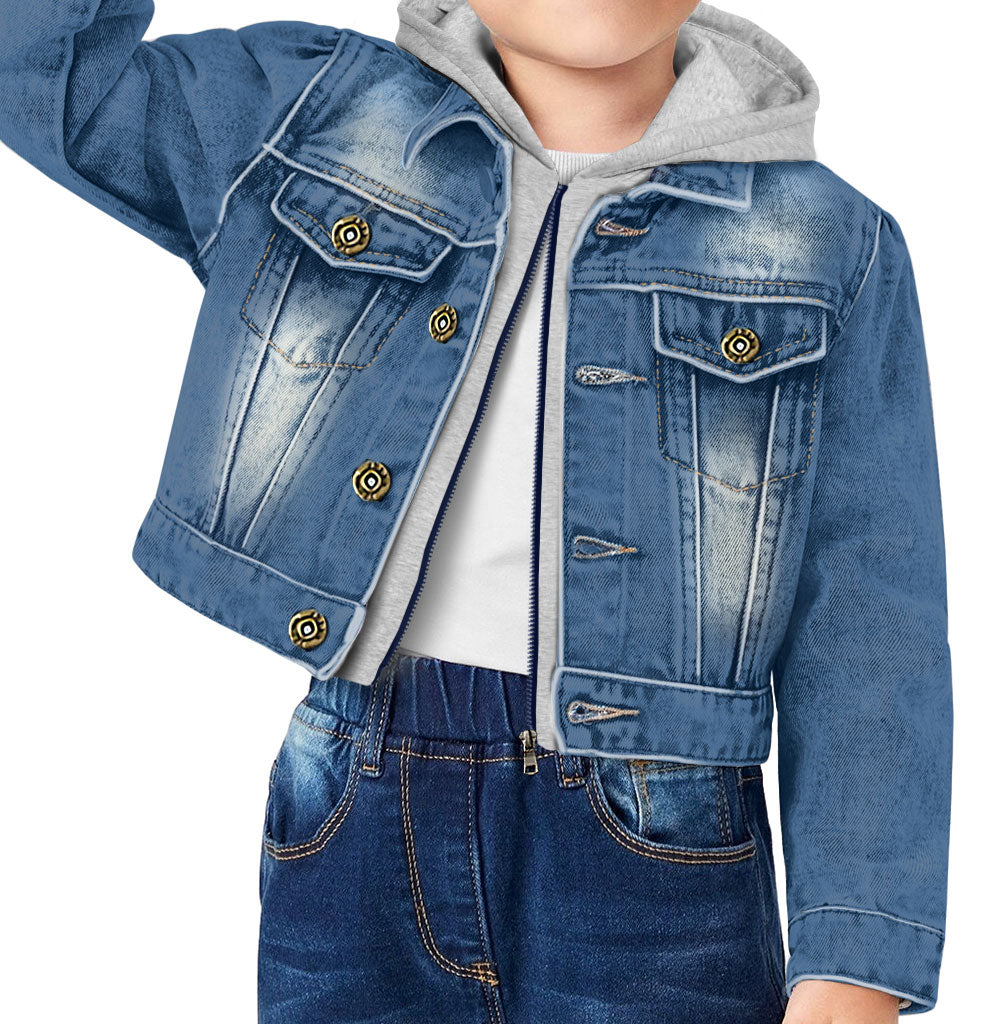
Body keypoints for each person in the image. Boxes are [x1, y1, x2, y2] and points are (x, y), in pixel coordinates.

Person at [0, 1, 953, 1021]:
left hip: (659, 841)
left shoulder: (828, 243)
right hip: (355, 798)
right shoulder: (314, 112)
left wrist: (854, 961)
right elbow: (43, 75)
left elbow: (870, 623)